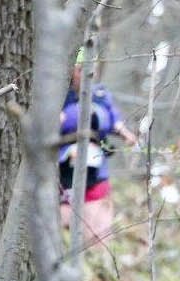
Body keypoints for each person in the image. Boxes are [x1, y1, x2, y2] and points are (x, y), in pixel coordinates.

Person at [58, 48, 139, 246]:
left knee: (96, 231)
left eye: (89, 70)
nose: (85, 75)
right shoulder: (61, 97)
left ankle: (95, 254)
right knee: (61, 221)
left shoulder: (101, 95)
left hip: (94, 171)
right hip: (62, 169)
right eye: (80, 69)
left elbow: (113, 118)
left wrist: (126, 134)